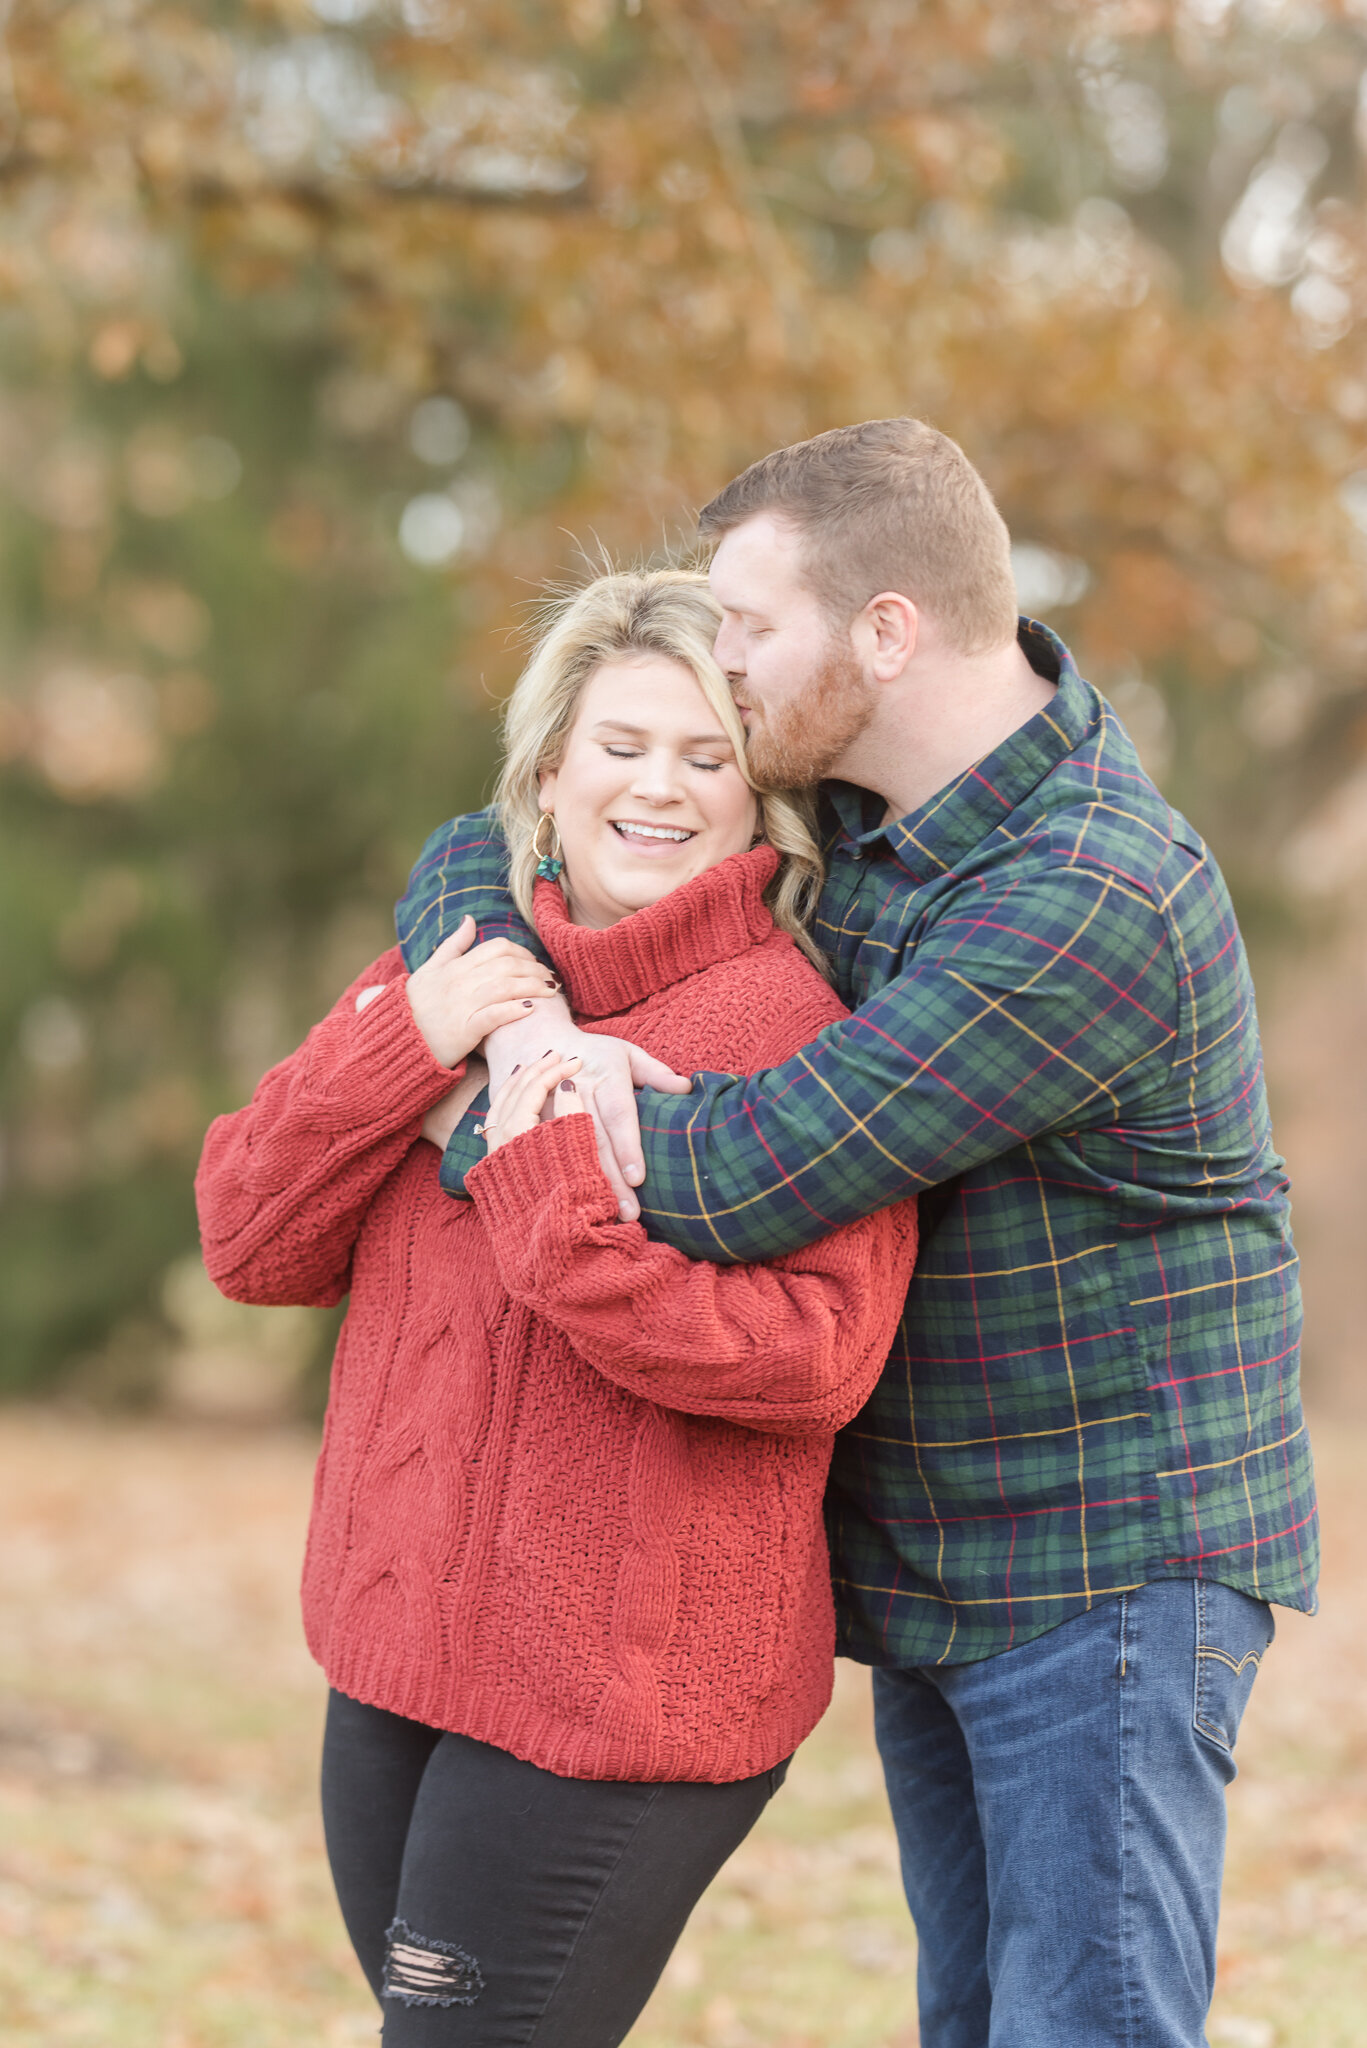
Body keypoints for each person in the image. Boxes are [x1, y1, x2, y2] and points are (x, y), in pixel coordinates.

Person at [398, 420, 1319, 2048]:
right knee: (971, 2021)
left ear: (885, 633)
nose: (723, 668)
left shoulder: (1093, 894)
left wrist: (503, 1113)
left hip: (1107, 1564)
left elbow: (759, 1167)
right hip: (939, 1557)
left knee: (1085, 2026)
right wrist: (517, 1017)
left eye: (748, 630)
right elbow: (484, 845)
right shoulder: (855, 822)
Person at [195, 568, 919, 2047]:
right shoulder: (450, 974)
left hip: (620, 1703)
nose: (661, 789)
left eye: (707, 755)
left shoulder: (797, 1037)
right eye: (622, 746)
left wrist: (537, 1187)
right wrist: (414, 1040)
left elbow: (813, 1362)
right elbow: (247, 1239)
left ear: (757, 796)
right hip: (394, 1662)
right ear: (547, 773)